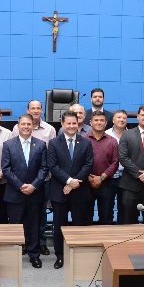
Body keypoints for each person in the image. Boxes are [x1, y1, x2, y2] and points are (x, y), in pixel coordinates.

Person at [48, 111, 94, 269]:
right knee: (59, 224)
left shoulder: (86, 142)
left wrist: (74, 183)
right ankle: (59, 256)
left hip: (80, 192)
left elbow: (88, 165)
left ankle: (77, 256)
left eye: (74, 123)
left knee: (78, 225)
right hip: (59, 191)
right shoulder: (54, 143)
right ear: (62, 124)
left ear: (78, 124)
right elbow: (53, 166)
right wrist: (68, 181)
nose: (72, 126)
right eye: (68, 123)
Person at [2, 114, 48, 268]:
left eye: (29, 124)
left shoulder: (41, 144)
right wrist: (20, 185)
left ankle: (34, 254)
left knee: (34, 225)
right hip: (15, 192)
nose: (26, 127)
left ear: (33, 126)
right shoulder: (8, 144)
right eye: (23, 124)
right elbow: (6, 169)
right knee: (15, 226)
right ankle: (14, 255)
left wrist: (33, 185)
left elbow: (44, 168)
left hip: (35, 193)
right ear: (18, 125)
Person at [86, 112, 119, 225]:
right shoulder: (83, 139)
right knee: (86, 218)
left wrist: (102, 177)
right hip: (86, 184)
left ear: (106, 123)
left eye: (101, 120)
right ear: (90, 122)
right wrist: (89, 177)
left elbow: (115, 162)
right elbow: (79, 162)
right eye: (96, 120)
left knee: (106, 218)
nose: (99, 122)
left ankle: (107, 243)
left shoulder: (112, 141)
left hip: (107, 184)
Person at [106, 110, 128, 224]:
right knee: (107, 207)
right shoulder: (106, 134)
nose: (121, 120)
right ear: (113, 120)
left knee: (124, 208)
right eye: (118, 117)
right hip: (109, 177)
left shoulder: (132, 134)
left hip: (127, 177)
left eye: (124, 118)